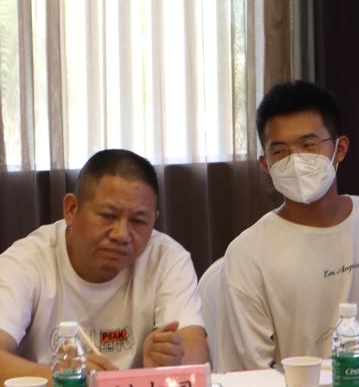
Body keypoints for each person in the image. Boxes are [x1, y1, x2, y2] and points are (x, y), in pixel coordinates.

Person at [215, 80, 359, 371]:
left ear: (340, 148)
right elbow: (252, 372)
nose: (295, 160)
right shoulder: (247, 253)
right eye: (279, 151)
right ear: (265, 164)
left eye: (308, 145)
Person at [0, 149, 208, 383]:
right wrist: (68, 378)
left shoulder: (167, 258)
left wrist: (170, 361)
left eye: (138, 221)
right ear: (71, 209)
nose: (122, 234)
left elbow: (196, 355)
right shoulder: (27, 261)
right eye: (108, 216)